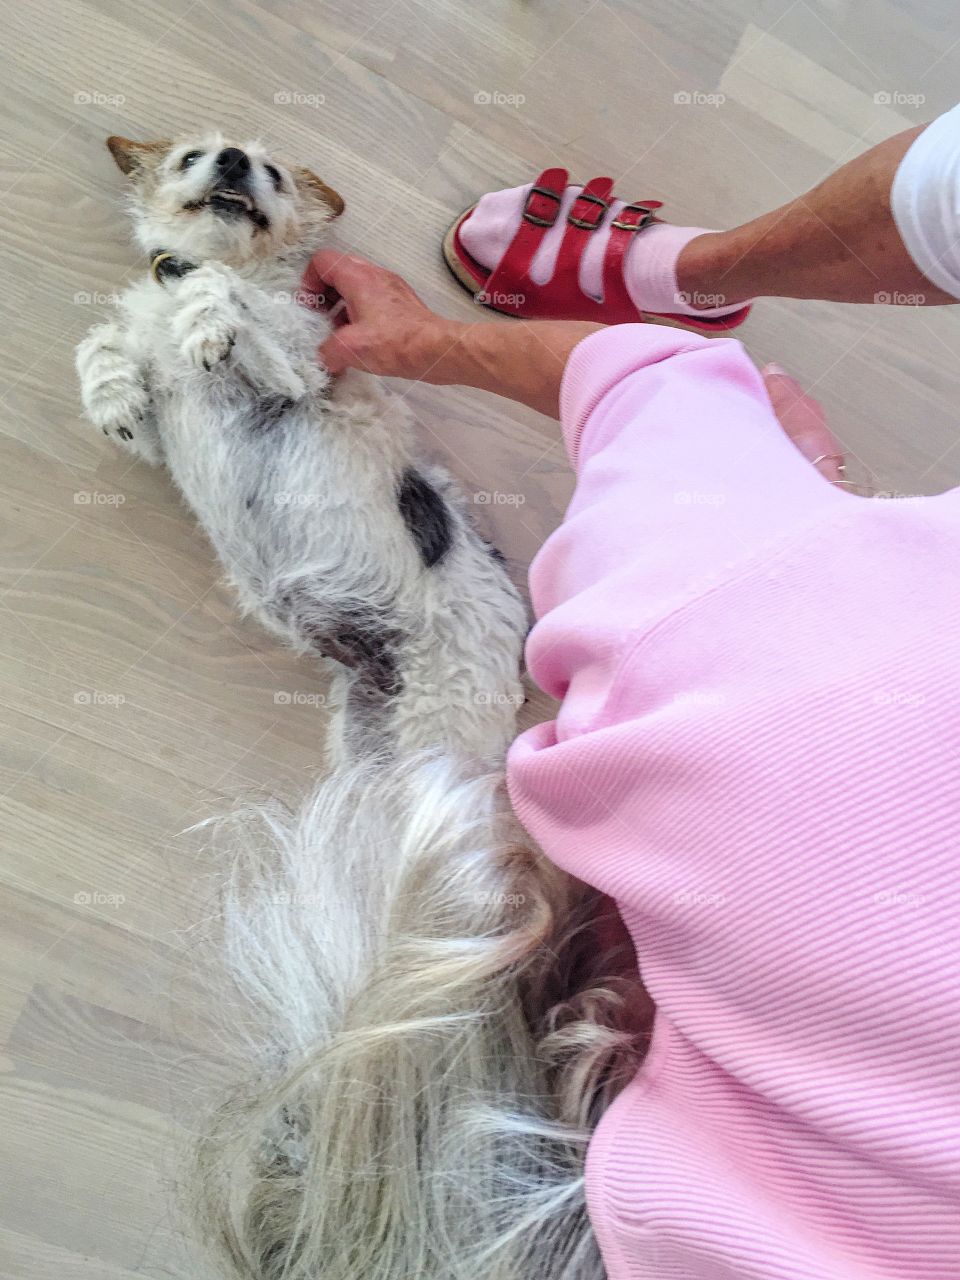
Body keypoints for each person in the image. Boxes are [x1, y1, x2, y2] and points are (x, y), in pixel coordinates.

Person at [300, 110, 960, 1280]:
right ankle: (679, 274)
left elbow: (648, 386)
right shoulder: (742, 687)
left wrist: (776, 569)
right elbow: (632, 379)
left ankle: (685, 275)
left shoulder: (756, 678)